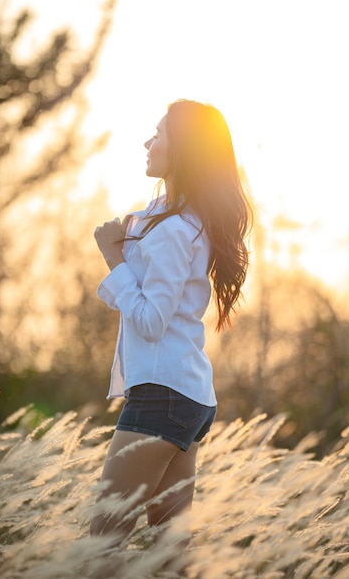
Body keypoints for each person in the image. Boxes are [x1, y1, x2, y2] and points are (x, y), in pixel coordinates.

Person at [91, 99, 252, 543]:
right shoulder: (183, 220)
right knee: (169, 550)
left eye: (158, 133)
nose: (148, 141)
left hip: (162, 397)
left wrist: (113, 258)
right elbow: (152, 304)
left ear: (181, 149)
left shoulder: (175, 227)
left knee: (102, 540)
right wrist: (127, 252)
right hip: (188, 397)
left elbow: (150, 321)